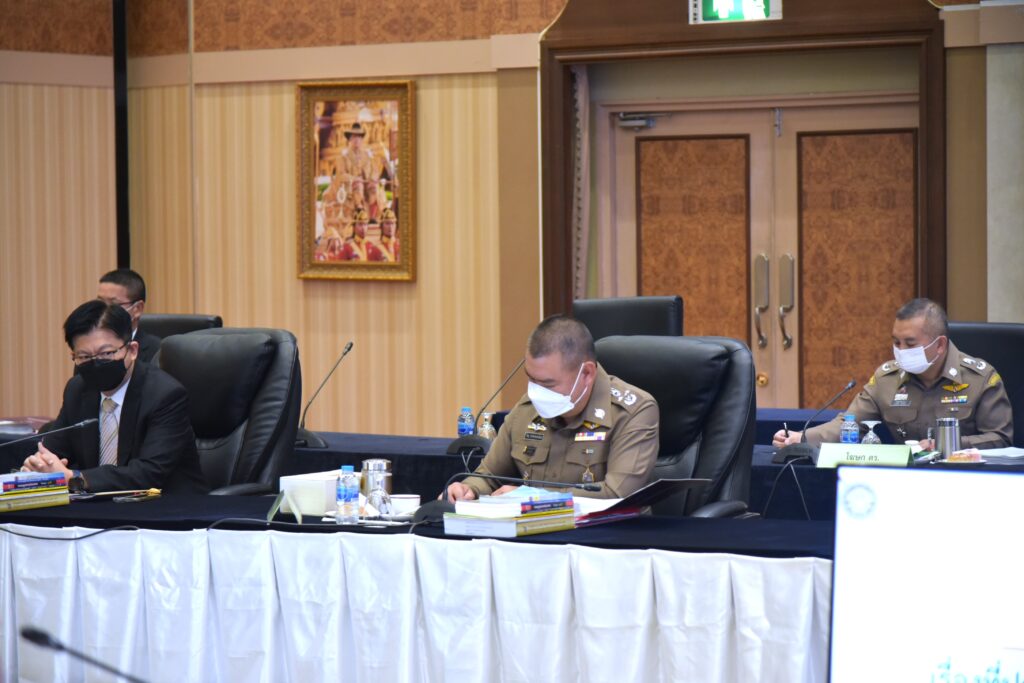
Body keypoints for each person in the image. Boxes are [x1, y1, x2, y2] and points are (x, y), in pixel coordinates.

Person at [447, 315, 660, 501]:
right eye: (531, 380)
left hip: (608, 533)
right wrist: (469, 489)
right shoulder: (527, 409)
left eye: (548, 384)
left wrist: (536, 497)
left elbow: (617, 494)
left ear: (586, 374)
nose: (537, 392)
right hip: (534, 531)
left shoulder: (633, 411)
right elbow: (488, 476)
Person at [772, 298, 1013, 450]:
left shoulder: (980, 378)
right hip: (904, 483)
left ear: (939, 345)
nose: (901, 350)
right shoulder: (887, 380)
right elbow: (849, 425)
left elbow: (1001, 439)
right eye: (896, 342)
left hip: (965, 481)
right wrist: (801, 438)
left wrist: (947, 445)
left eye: (910, 343)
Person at [21, 300, 208, 493]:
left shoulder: (165, 395)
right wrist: (40, 465)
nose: (96, 363)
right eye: (84, 357)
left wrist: (76, 479)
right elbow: (53, 451)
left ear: (132, 350)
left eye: (106, 353)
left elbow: (149, 472)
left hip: (168, 503)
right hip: (100, 504)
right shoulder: (77, 390)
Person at [97, 268, 161, 363]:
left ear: (137, 309)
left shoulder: (158, 351)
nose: (104, 310)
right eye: (100, 302)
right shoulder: (90, 346)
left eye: (113, 304)